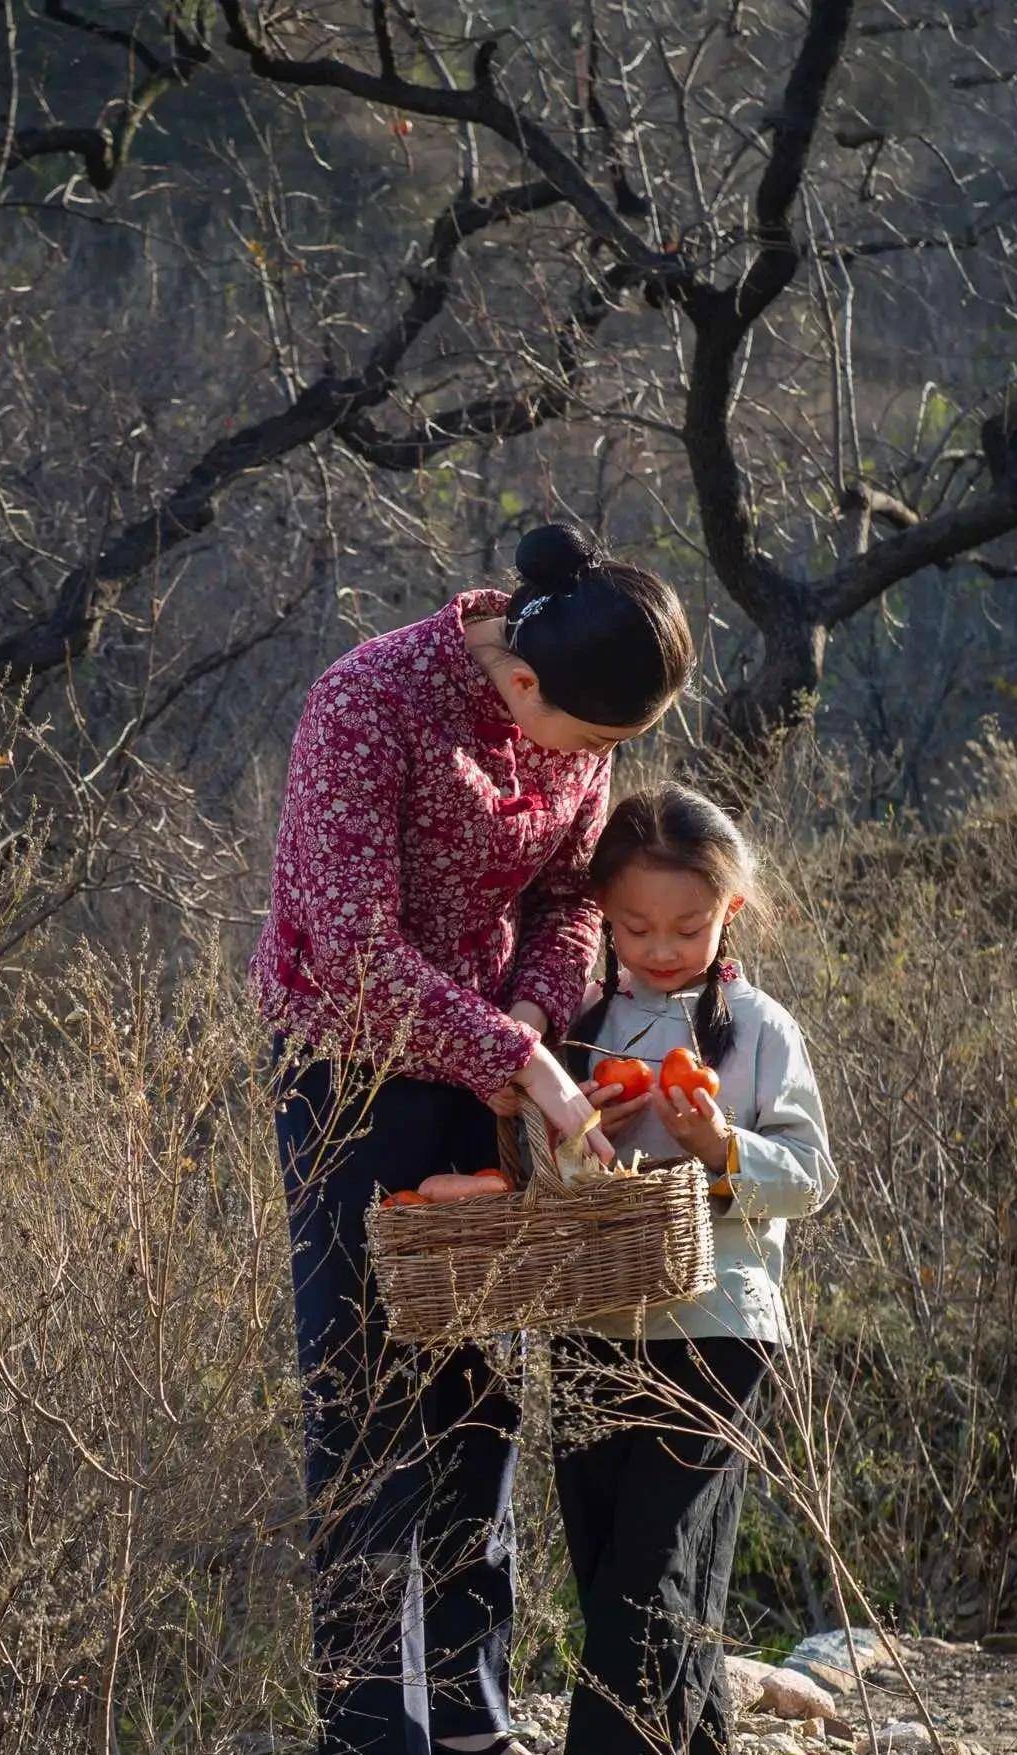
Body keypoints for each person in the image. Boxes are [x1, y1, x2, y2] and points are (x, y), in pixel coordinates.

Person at [255, 523, 693, 1755]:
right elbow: (350, 944)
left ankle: (469, 1716)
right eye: (590, 742)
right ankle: (370, 1728)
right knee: (365, 1397)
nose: (597, 765)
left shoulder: (581, 709)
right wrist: (523, 1063)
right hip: (350, 1073)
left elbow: (566, 900)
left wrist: (535, 1019)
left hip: (499, 1076)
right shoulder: (368, 702)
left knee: (480, 1396)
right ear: (522, 679)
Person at [550, 784, 834, 1754]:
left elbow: (811, 1178)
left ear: (730, 910)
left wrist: (721, 1149)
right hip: (592, 1324)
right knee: (614, 1573)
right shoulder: (580, 1030)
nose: (661, 948)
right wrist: (577, 1135)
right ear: (602, 916)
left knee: (653, 1573)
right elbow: (538, 1184)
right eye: (635, 928)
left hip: (717, 1327)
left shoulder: (759, 1029)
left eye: (687, 926)